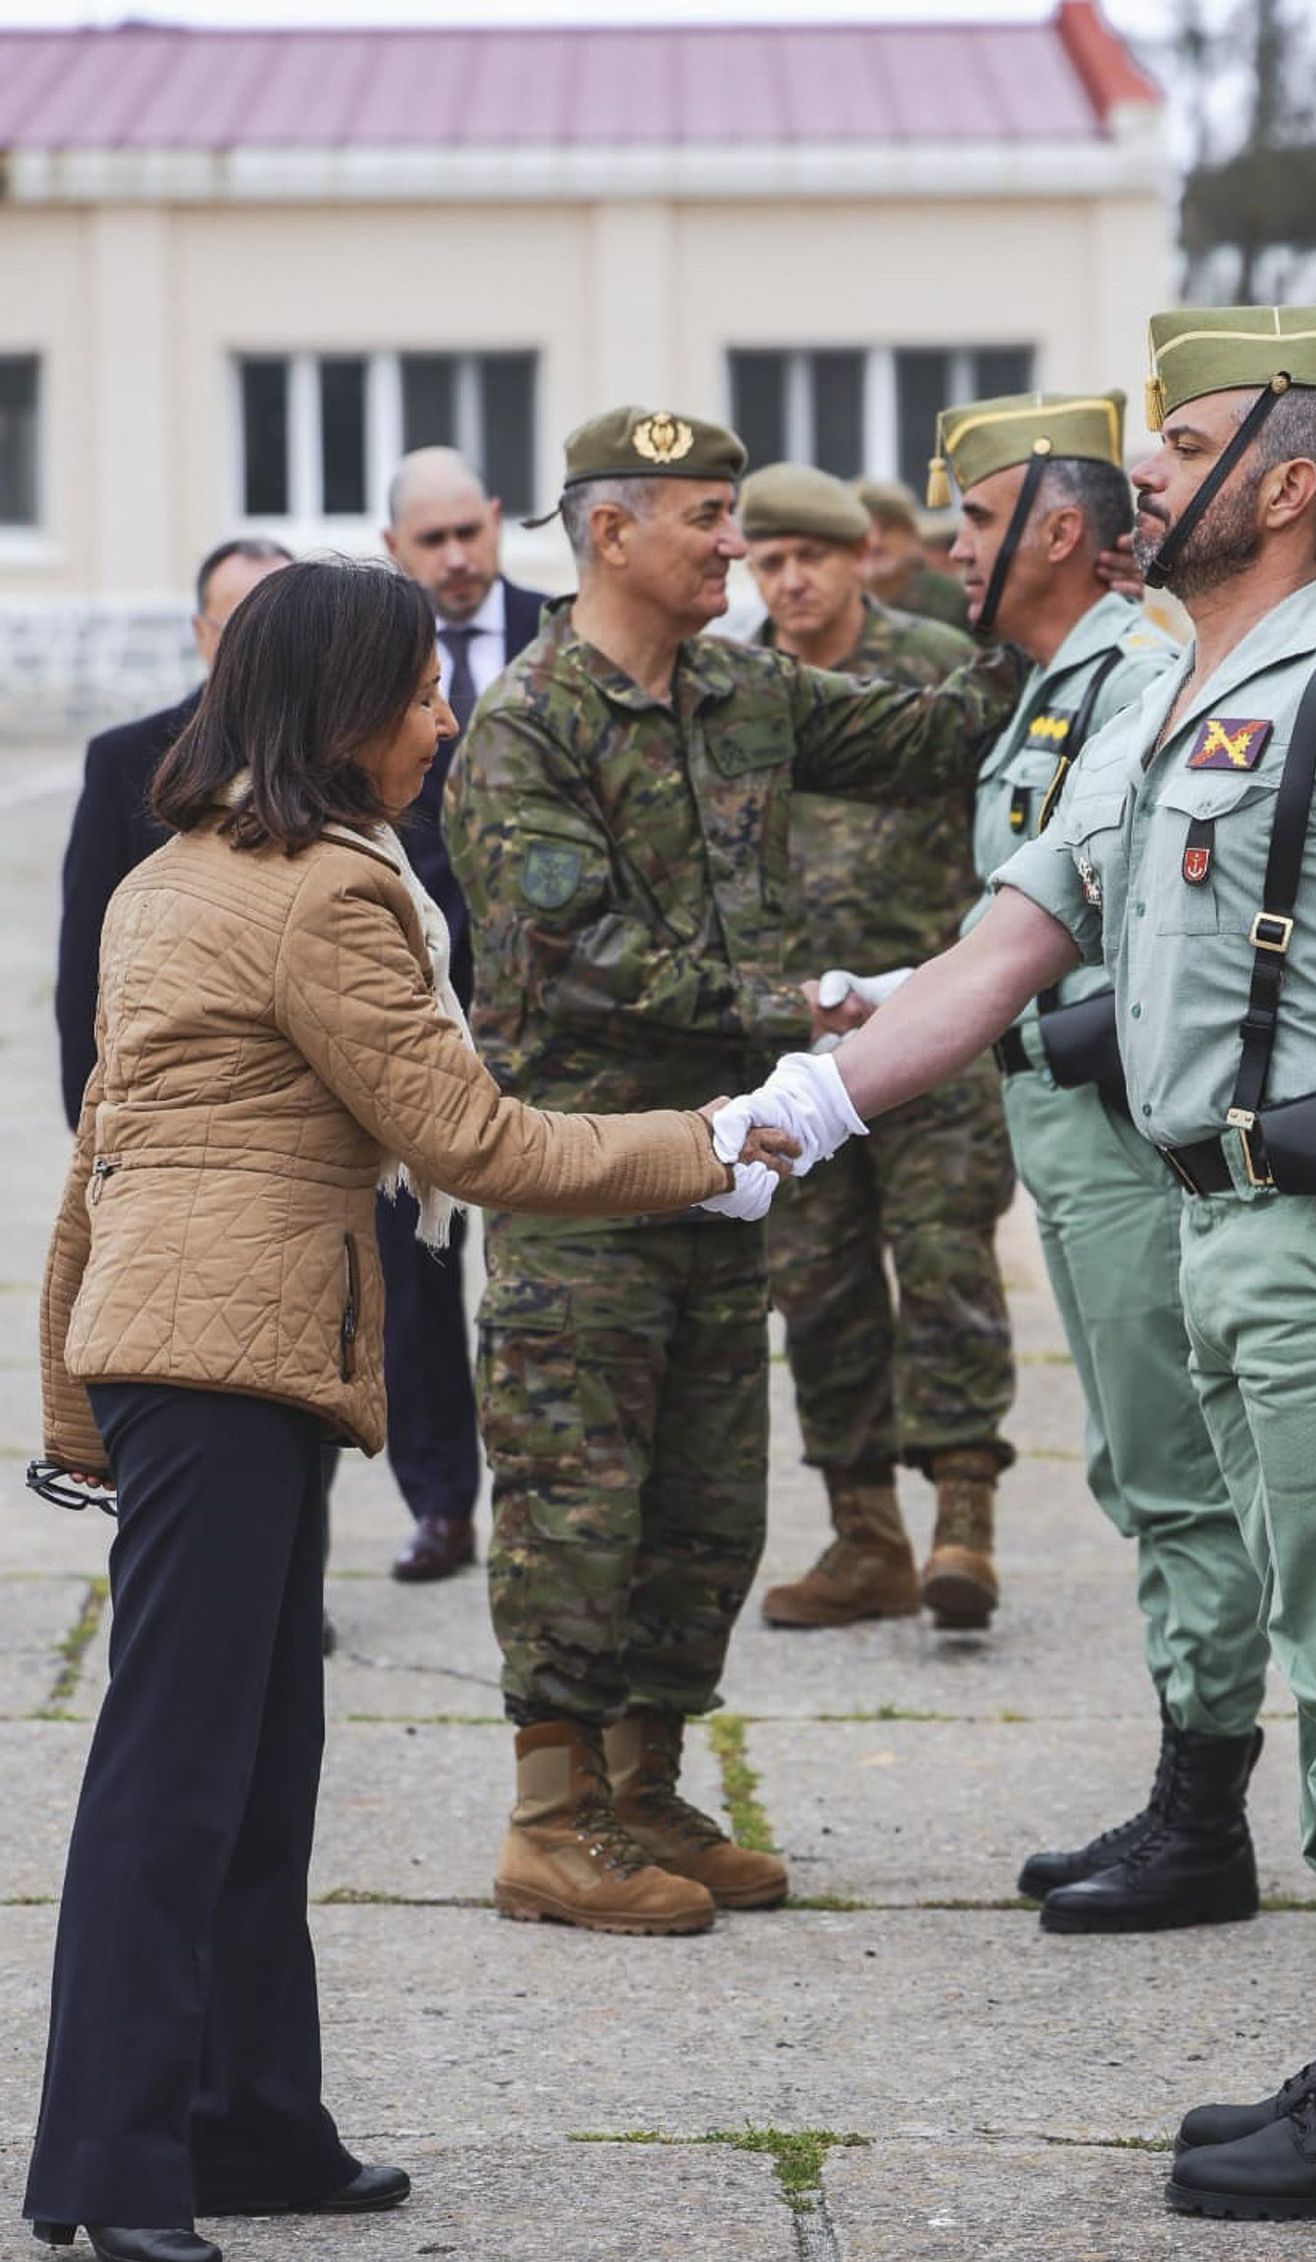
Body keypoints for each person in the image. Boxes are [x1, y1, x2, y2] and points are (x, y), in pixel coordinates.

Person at [719, 304, 1316, 2223]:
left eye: (1180, 445)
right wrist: (802, 1113)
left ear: (1278, 483)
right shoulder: (1168, 704)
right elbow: (1008, 950)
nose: (1142, 474)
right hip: (1214, 1227)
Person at [25, 557, 782, 2262]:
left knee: (258, 1754)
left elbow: (103, 1142)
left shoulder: (178, 869)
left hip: (206, 1340)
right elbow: (478, 1145)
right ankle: (112, 2154)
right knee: (176, 1770)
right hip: (224, 1353)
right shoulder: (323, 897)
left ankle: (253, 2120)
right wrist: (717, 1142)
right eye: (420, 694)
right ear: (340, 712)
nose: (446, 717)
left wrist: (77, 1377)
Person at [445, 405, 1025, 1938]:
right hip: (586, 1179)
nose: (734, 545)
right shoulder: (531, 726)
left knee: (707, 1500)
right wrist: (812, 1008)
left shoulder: (740, 689)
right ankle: (547, 1821)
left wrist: (1041, 610)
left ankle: (647, 1789)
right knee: (579, 1498)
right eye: (705, 518)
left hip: (726, 1168)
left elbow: (927, 742)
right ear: (608, 532)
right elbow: (576, 961)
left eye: (734, 516)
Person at [939, 387, 1271, 1934]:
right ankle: (1188, 1792)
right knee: (1146, 1470)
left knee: (1179, 1474)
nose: (951, 550)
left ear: (1055, 533)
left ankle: (1205, 1816)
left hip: (1125, 1135)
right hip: (1067, 1137)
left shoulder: (1138, 669)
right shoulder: (1059, 680)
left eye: (972, 520)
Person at [740, 461, 1016, 1631]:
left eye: (811, 556)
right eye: (768, 559)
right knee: (818, 1285)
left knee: (944, 1260)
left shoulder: (930, 673)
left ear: (863, 557)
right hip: (794, 1044)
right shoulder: (733, 686)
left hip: (934, 1026)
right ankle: (865, 1536)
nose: (790, 578)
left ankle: (963, 1520)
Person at [376, 449, 546, 1584]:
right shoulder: (374, 657)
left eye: (466, 531)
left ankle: (548, 1490)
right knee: (419, 1265)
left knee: (544, 1253)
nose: (454, 557)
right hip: (412, 1005)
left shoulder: (561, 632)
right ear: (395, 549)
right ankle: (441, 1501)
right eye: (428, 541)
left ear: (494, 521)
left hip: (546, 1003)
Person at [55, 537, 293, 1126]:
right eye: (241, 621)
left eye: (280, 620)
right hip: (175, 1111)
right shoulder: (127, 760)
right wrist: (93, 1127)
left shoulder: (350, 759)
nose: (261, 643)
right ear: (202, 631)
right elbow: (89, 957)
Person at [856, 479, 971, 630]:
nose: (875, 542)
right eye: (864, 529)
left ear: (913, 535)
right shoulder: (836, 599)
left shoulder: (954, 600)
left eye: (887, 529)